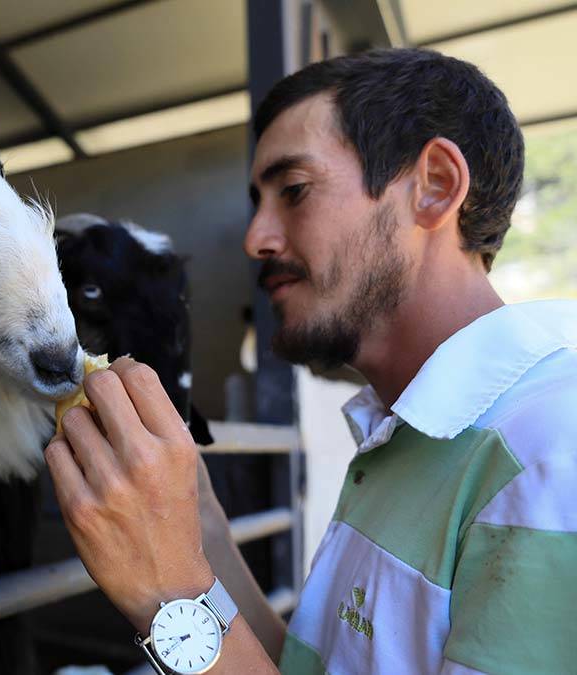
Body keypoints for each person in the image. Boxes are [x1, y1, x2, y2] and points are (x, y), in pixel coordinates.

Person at [45, 48, 577, 674]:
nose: (255, 239)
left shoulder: (550, 454)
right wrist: (199, 527)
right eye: (258, 200)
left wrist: (168, 591)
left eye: (294, 191)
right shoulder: (403, 429)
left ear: (434, 187)